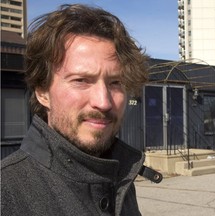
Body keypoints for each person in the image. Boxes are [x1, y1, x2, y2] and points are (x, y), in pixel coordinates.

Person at [1, 4, 162, 216]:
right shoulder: (7, 194)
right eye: (81, 81)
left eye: (115, 83)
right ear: (43, 93)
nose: (103, 102)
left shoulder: (120, 176)